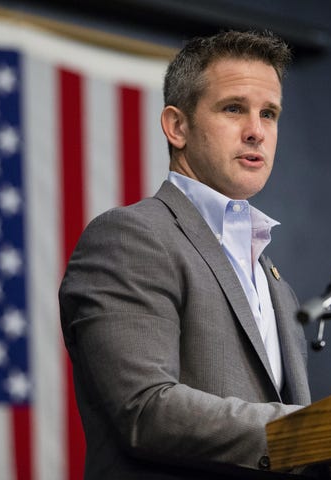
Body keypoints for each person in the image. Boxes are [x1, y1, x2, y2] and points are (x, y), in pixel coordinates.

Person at [59, 30, 311, 479]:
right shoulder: (131, 237)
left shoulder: (278, 284)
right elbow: (145, 409)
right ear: (178, 126)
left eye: (269, 113)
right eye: (234, 108)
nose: (256, 131)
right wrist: (311, 430)